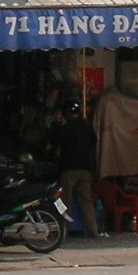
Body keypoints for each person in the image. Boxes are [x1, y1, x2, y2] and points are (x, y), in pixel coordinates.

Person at [47, 101, 105, 238]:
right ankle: (93, 230)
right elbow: (94, 142)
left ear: (66, 113)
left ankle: (63, 230)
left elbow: (54, 140)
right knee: (86, 201)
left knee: (65, 201)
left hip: (69, 169)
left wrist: (55, 123)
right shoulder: (87, 127)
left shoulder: (66, 128)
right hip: (85, 169)